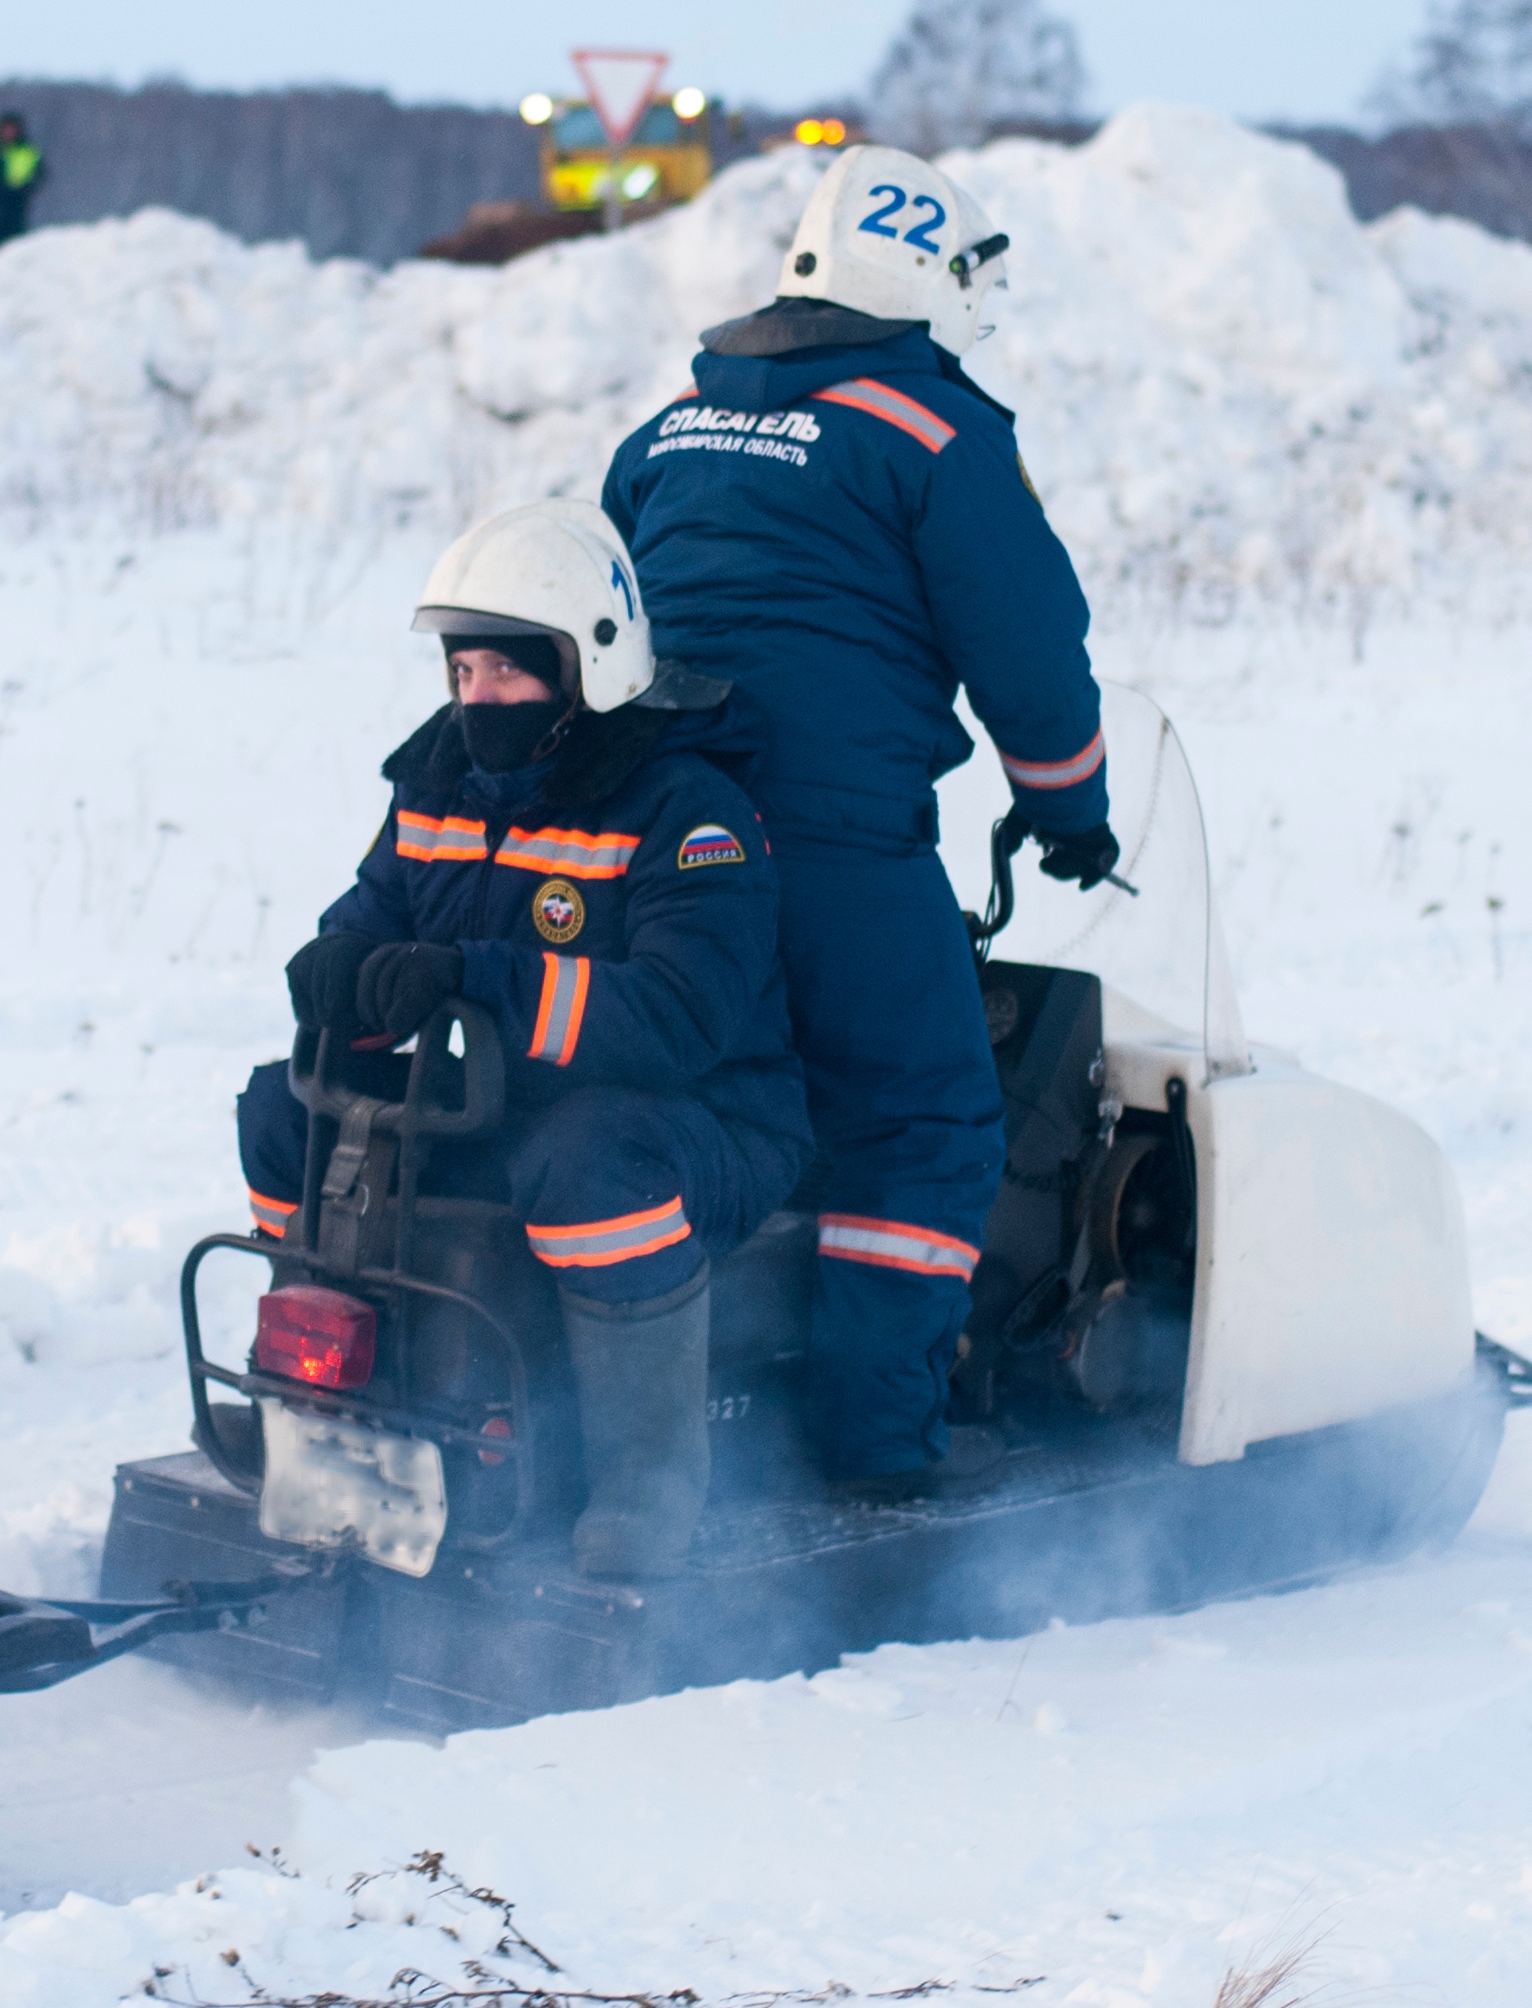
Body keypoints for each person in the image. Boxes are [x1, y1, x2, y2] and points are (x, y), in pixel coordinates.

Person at [600, 146, 1121, 1501]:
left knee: (716, 1099)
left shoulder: (669, 429)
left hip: (646, 838)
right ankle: (875, 1458)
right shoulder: (939, 432)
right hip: (829, 843)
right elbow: (1029, 647)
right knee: (928, 1119)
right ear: (934, 282)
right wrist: (1071, 812)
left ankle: (679, 1413)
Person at [236, 500, 811, 1578]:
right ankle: (313, 1416)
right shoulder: (436, 785)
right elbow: (376, 912)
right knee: (283, 1104)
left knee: (587, 1159)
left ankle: (645, 1479)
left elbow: (680, 1018)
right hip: (500, 1102)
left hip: (711, 1124)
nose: (478, 698)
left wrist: (477, 981)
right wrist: (339, 967)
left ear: (587, 665)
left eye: (507, 671)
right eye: (463, 673)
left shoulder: (690, 813)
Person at [0, 112, 42, 251]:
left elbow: (40, 172)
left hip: (18, 199)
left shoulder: (27, 150)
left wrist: (28, 187)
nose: (9, 132)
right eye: (6, 129)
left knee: (16, 239)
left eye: (12, 129)